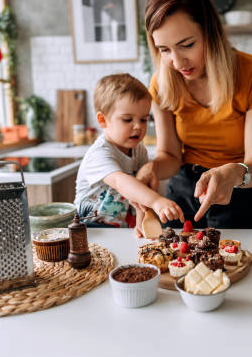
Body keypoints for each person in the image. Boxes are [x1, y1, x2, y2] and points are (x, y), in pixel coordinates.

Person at [135, 0, 252, 229]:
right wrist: (152, 169)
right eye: (164, 50)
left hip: (237, 192)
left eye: (187, 45)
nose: (177, 63)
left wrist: (232, 173)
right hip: (181, 196)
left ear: (210, 32)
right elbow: (170, 155)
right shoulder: (162, 82)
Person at [74, 73, 184, 235]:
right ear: (102, 120)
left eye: (144, 119)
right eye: (127, 119)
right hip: (90, 228)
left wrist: (140, 224)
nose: (138, 126)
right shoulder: (99, 153)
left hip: (121, 228)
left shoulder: (139, 150)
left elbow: (140, 188)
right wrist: (156, 201)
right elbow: (120, 182)